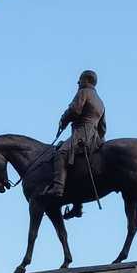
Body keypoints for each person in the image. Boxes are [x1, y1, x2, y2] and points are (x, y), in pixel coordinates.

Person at [42, 70, 106, 219]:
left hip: (82, 133)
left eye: (80, 80)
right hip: (94, 137)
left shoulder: (84, 92)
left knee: (61, 153)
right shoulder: (100, 101)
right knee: (77, 166)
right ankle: (77, 206)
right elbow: (103, 127)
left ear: (87, 80)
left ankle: (58, 187)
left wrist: (64, 118)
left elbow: (75, 110)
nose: (78, 83)